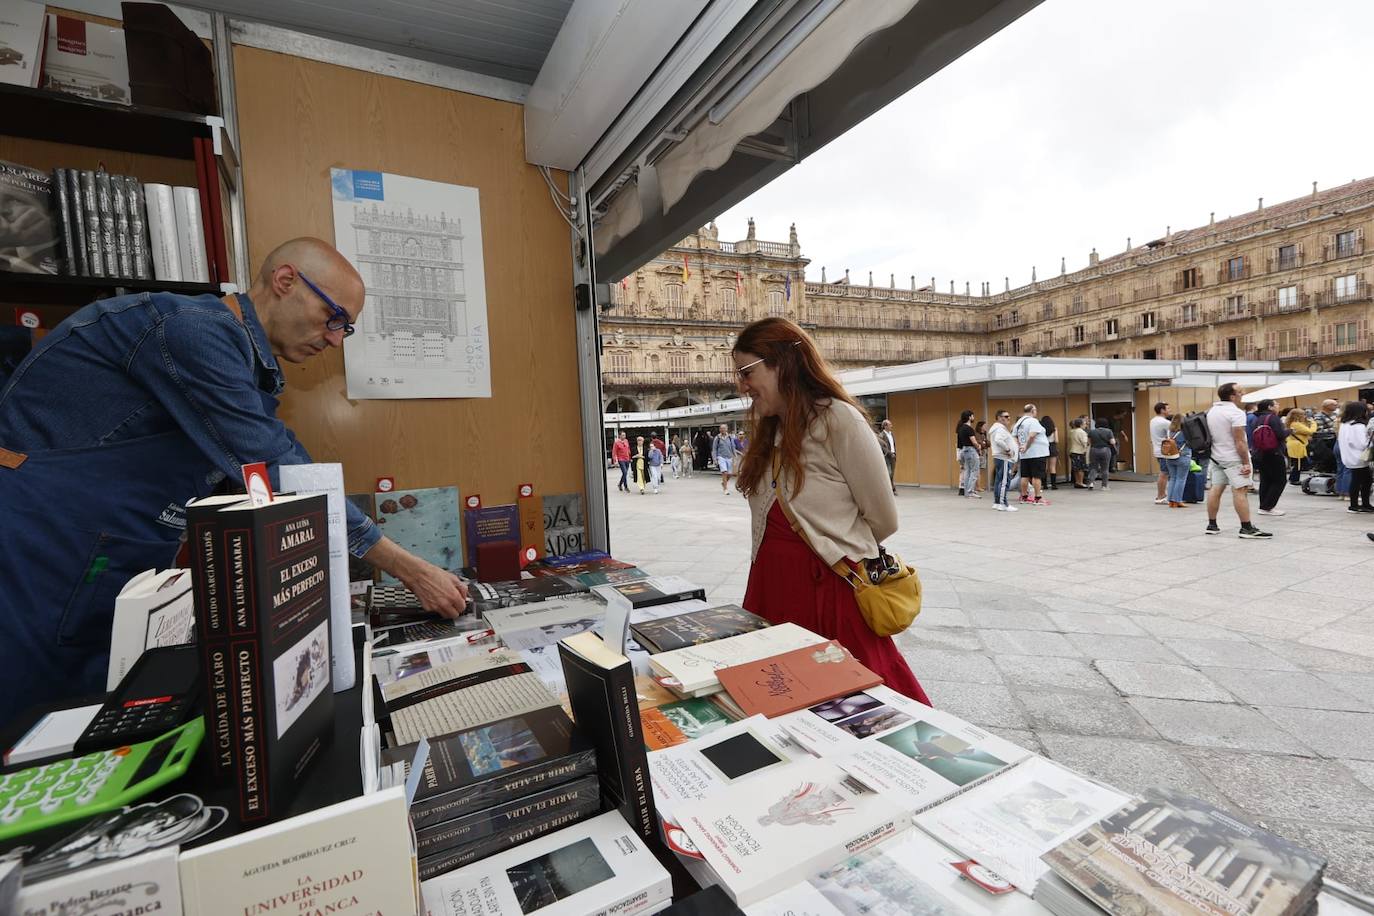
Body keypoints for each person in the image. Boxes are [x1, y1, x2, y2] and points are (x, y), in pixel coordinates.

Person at [0, 237, 470, 718]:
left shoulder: (243, 365)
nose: (333, 339)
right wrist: (408, 568)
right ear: (286, 281)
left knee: (95, 717)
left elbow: (271, 470)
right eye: (334, 318)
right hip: (47, 548)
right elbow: (273, 464)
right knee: (38, 724)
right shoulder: (192, 330)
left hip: (114, 551)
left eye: (344, 329)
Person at [731, 317, 929, 703]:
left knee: (861, 705)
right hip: (771, 589)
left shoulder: (839, 419)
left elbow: (884, 518)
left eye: (747, 371)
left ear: (782, 364)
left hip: (829, 590)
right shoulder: (770, 430)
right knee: (780, 701)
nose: (742, 385)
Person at [1205, 383, 1272, 538]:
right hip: (1233, 458)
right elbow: (1240, 441)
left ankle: (1212, 524)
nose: (1243, 394)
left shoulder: (1212, 411)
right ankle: (1246, 528)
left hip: (1216, 457)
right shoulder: (1235, 413)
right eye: (1241, 392)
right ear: (1232, 396)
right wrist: (1246, 463)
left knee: (1216, 488)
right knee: (1240, 491)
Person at [1250, 399, 1289, 516]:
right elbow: (1280, 435)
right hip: (1274, 452)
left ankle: (1263, 506)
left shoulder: (1257, 418)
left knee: (1266, 479)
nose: (1278, 406)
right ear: (1270, 407)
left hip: (1260, 452)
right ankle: (1268, 506)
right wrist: (1290, 431)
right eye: (1276, 404)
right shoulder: (1273, 418)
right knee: (1279, 480)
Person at [1337, 401, 1373, 513]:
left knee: (1360, 480)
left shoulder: (1345, 424)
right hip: (1359, 457)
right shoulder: (1358, 425)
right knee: (1363, 481)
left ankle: (1360, 504)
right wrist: (1370, 439)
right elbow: (1362, 444)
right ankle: (1357, 505)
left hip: (1350, 456)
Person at [1012, 404, 1049, 505]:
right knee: (1037, 476)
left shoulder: (1019, 422)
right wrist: (1026, 446)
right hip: (1037, 452)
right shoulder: (1033, 421)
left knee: (1025, 475)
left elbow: (1014, 436)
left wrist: (1020, 446)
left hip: (1025, 454)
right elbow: (1032, 435)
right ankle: (1038, 498)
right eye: (1035, 410)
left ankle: (1024, 497)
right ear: (1033, 410)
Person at [988, 409, 1018, 512]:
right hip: (1004, 458)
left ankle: (997, 502)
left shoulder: (997, 428)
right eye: (1006, 416)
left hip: (1000, 457)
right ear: (1000, 418)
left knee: (999, 481)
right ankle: (1003, 503)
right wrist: (1008, 449)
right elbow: (998, 440)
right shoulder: (1000, 429)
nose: (1008, 418)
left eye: (1009, 416)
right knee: (1004, 481)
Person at [1163, 414, 1192, 507]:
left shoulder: (1169, 432)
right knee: (1181, 479)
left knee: (1173, 478)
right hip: (1183, 456)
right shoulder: (1184, 432)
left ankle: (1171, 501)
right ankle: (1177, 500)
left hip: (1170, 457)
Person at [1149, 401, 1171, 505]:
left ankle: (1162, 495)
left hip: (1158, 450)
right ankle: (1160, 496)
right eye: (1168, 409)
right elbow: (1173, 434)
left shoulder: (1153, 421)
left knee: (1164, 473)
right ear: (1162, 410)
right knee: (1164, 474)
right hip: (1165, 452)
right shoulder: (1164, 422)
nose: (1169, 410)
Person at [1285, 407, 1314, 485]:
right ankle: (1294, 479)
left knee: (1298, 463)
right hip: (1297, 445)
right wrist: (1313, 423)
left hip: (1295, 444)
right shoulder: (1296, 424)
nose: (1305, 416)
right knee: (1298, 463)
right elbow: (1310, 431)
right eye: (1303, 414)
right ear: (1298, 416)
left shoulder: (1292, 423)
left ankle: (1293, 478)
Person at [956, 410, 980, 499]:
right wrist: (979, 447)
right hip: (971, 450)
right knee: (974, 471)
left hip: (964, 450)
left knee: (967, 471)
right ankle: (970, 492)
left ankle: (967, 491)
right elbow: (974, 441)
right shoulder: (969, 428)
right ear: (969, 417)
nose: (973, 418)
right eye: (972, 416)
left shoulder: (961, 428)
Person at [1086, 419, 1115, 490]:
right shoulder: (1108, 431)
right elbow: (1112, 442)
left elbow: (1088, 442)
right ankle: (1104, 486)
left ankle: (1091, 483)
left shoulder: (1092, 431)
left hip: (1094, 450)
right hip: (1105, 450)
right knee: (1105, 469)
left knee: (1093, 467)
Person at [713, 423, 737, 494]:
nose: (723, 430)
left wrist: (735, 456)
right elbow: (714, 449)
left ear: (727, 429)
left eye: (724, 428)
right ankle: (725, 489)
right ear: (720, 429)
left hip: (729, 457)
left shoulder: (730, 437)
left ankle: (724, 483)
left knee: (729, 474)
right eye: (721, 428)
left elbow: (733, 447)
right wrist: (715, 459)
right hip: (721, 457)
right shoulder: (717, 438)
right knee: (724, 472)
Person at [1068, 418, 1090, 488]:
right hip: (1080, 451)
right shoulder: (1082, 432)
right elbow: (1084, 443)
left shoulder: (1072, 431)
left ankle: (1077, 481)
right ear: (1081, 425)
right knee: (1081, 468)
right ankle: (1081, 482)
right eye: (1084, 424)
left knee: (1075, 468)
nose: (1085, 425)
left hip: (1073, 451)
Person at [878, 418, 897, 495]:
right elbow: (882, 447)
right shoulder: (881, 435)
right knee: (888, 473)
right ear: (885, 426)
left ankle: (892, 489)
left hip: (893, 456)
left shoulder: (891, 434)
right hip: (886, 456)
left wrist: (894, 453)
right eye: (890, 424)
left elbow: (893, 445)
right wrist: (889, 453)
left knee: (892, 473)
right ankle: (889, 489)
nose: (891, 426)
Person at [1041, 416, 1059, 490]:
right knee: (1052, 467)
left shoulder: (1041, 429)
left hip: (1043, 447)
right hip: (1052, 446)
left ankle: (1044, 485)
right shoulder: (1054, 429)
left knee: (1045, 467)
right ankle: (1053, 485)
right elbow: (1057, 440)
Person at [974, 420, 989, 494]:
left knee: (980, 470)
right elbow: (980, 444)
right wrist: (984, 443)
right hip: (978, 453)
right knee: (978, 471)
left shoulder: (984, 434)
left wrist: (985, 442)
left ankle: (978, 486)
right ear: (980, 426)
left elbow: (988, 444)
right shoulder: (976, 434)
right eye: (984, 426)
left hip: (983, 453)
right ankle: (977, 487)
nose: (986, 427)